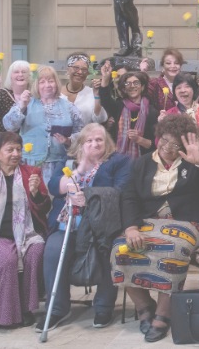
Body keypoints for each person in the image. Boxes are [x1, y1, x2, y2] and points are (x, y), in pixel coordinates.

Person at [114, 114, 199, 342]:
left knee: (171, 249)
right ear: (158, 137)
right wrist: (131, 227)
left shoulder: (192, 162)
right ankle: (144, 306)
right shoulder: (141, 163)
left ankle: (164, 313)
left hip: (190, 222)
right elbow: (128, 197)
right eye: (165, 141)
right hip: (148, 222)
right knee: (120, 249)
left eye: (176, 144)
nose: (169, 148)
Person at [39, 123, 134, 330]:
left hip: (103, 224)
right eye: (88, 141)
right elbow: (55, 187)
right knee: (53, 252)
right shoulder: (69, 161)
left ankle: (103, 305)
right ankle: (57, 309)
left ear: (106, 142)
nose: (94, 144)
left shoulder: (119, 161)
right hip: (68, 225)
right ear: (80, 144)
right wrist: (80, 167)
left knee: (108, 252)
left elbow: (120, 191)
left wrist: (89, 197)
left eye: (99, 139)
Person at [0, 131, 50, 328]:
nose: (15, 153)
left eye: (18, 149)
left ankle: (26, 309)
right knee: (7, 260)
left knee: (37, 251)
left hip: (27, 232)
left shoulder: (31, 173)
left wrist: (35, 194)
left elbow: (45, 207)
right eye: (10, 150)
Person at [5, 66, 86, 177]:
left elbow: (82, 135)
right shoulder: (26, 104)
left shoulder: (69, 107)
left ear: (56, 83)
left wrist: (69, 140)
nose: (47, 85)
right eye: (42, 82)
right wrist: (21, 106)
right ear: (36, 85)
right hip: (29, 163)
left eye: (51, 81)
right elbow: (9, 126)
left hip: (60, 165)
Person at [99, 71, 159, 157]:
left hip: (143, 160)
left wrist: (138, 139)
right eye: (127, 83)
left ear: (142, 87)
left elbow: (154, 144)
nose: (132, 86)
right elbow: (105, 100)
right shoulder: (119, 106)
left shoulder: (151, 111)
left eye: (136, 83)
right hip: (120, 159)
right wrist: (105, 78)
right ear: (124, 89)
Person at [62, 53, 110, 126]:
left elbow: (100, 119)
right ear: (68, 69)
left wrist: (97, 96)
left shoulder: (91, 93)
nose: (80, 72)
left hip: (83, 136)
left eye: (84, 69)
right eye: (76, 68)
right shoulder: (56, 93)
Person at [0, 60, 32, 142]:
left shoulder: (34, 97)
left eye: (24, 72)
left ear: (29, 76)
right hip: (0, 145)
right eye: (16, 72)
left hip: (27, 147)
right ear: (10, 77)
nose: (20, 74)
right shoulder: (1, 94)